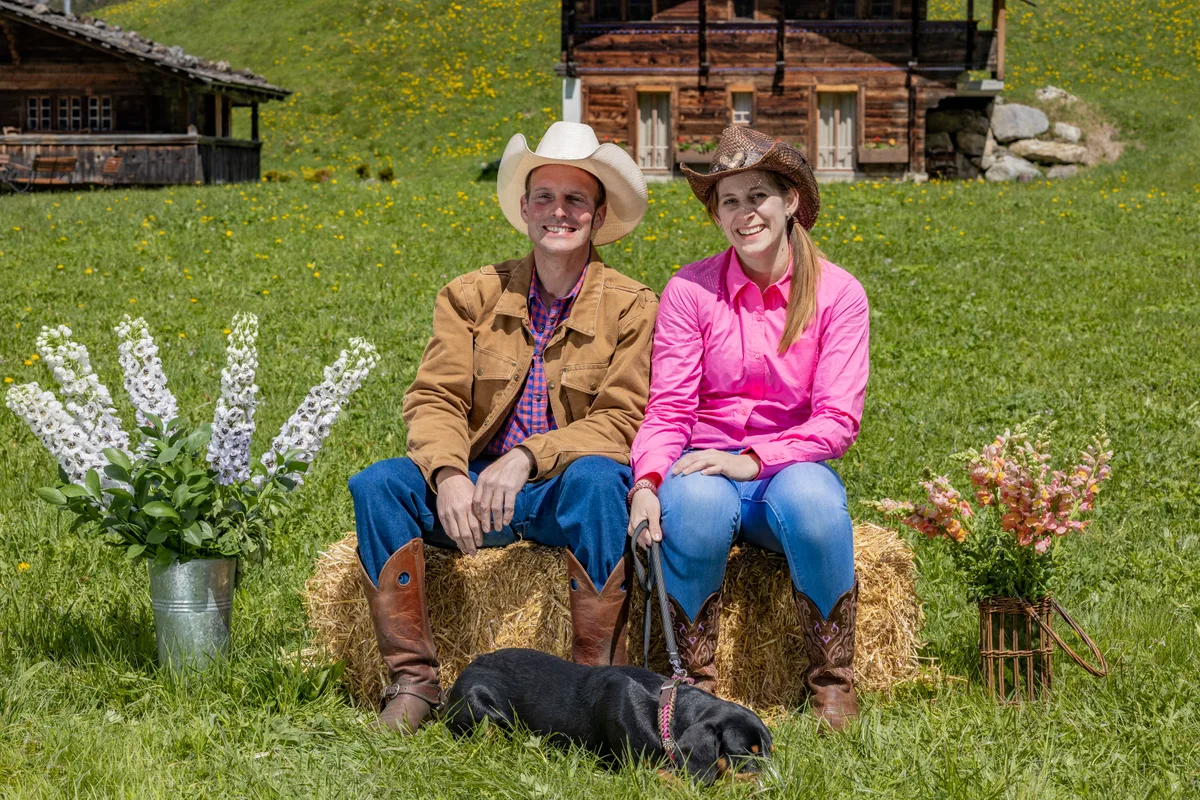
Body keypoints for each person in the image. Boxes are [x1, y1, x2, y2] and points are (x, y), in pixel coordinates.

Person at [350, 122, 656, 733]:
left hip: (559, 492)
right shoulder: (469, 296)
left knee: (601, 480)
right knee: (377, 485)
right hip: (473, 492)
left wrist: (528, 457)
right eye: (545, 197)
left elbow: (622, 419)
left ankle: (598, 688)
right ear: (524, 208)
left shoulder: (632, 306)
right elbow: (435, 396)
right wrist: (447, 473)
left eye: (575, 200)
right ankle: (414, 682)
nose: (558, 212)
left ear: (598, 216)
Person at [627, 126, 869, 733]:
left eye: (758, 195)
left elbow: (837, 421)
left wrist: (754, 460)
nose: (745, 213)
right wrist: (647, 482)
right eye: (729, 201)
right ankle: (690, 687)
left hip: (788, 468)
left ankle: (833, 683)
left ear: (790, 201)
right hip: (703, 464)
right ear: (716, 214)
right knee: (697, 505)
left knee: (816, 503)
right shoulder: (690, 290)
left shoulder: (839, 294)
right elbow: (668, 407)